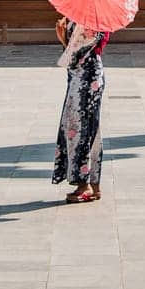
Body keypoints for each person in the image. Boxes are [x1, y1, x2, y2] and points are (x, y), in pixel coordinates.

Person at [52, 14, 109, 203]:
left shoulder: (95, 19)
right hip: (81, 76)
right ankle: (93, 183)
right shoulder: (78, 17)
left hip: (87, 78)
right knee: (85, 127)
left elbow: (75, 52)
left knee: (82, 128)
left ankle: (84, 183)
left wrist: (63, 38)